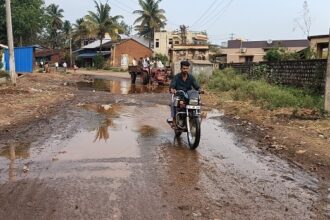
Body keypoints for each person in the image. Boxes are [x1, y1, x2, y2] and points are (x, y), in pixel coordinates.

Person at [168, 60, 201, 127]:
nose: (185, 70)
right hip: (179, 95)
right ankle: (174, 119)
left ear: (188, 69)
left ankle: (196, 117)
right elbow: (172, 85)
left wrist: (200, 89)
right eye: (184, 68)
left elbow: (196, 85)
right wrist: (172, 89)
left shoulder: (191, 77)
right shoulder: (177, 77)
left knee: (197, 102)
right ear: (181, 69)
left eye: (186, 68)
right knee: (174, 102)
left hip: (188, 96)